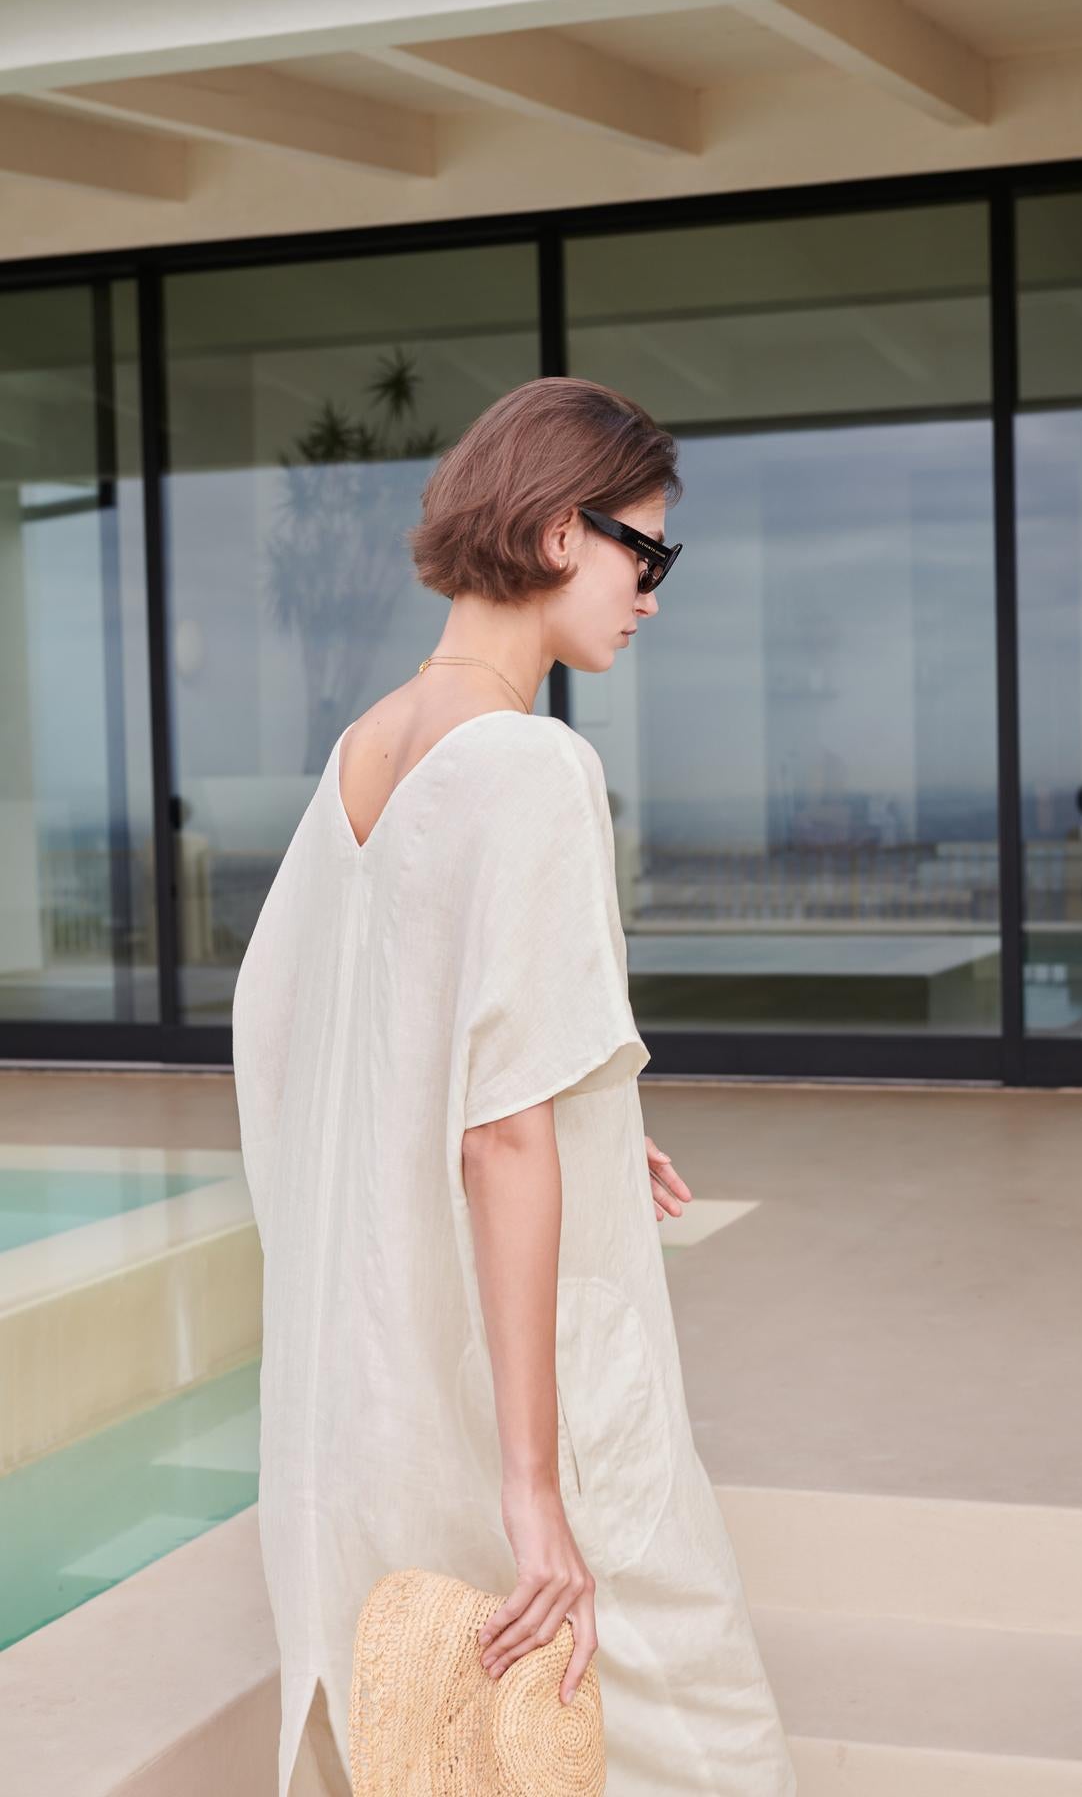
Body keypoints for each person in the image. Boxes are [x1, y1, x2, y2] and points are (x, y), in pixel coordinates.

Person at [231, 375, 796, 1795]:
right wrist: (537, 1491)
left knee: (444, 1741)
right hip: (527, 1378)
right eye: (646, 553)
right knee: (686, 1734)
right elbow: (498, 1133)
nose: (653, 594)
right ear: (560, 532)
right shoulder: (535, 765)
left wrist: (599, 1120)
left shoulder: (362, 757)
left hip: (371, 1385)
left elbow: (330, 1036)